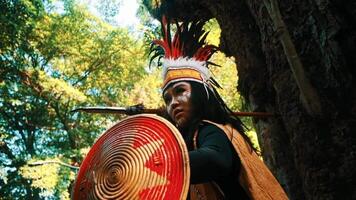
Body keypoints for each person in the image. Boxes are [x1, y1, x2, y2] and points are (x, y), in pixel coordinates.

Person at [151, 16, 288, 200]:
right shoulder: (192, 140)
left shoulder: (213, 130)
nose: (173, 102)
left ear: (200, 93)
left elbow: (216, 160)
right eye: (167, 99)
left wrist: (157, 163)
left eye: (180, 91)